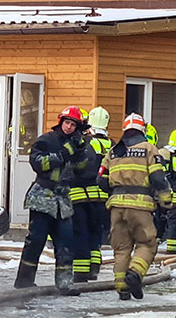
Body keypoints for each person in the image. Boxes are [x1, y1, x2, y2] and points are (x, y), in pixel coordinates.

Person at [15, 106, 89, 295]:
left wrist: (81, 151)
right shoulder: (46, 140)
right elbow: (38, 163)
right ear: (61, 122)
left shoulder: (76, 143)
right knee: (36, 240)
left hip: (63, 200)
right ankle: (24, 281)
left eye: (73, 125)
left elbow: (81, 170)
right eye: (67, 123)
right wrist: (64, 153)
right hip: (43, 197)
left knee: (66, 242)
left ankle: (65, 284)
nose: (69, 127)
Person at [98, 113, 170, 301]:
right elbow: (158, 178)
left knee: (121, 248)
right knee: (147, 243)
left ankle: (123, 289)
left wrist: (116, 190)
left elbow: (101, 180)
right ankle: (135, 274)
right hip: (140, 205)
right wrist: (166, 199)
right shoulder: (149, 149)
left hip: (116, 207)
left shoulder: (113, 151)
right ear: (142, 130)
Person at [69, 109, 102, 283]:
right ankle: (94, 267)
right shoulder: (95, 144)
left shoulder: (71, 144)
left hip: (77, 196)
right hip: (96, 197)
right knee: (94, 231)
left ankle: (81, 273)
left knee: (80, 232)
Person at [84, 106, 114, 279]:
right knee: (96, 232)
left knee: (84, 230)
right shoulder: (113, 145)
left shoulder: (87, 143)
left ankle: (83, 268)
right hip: (106, 197)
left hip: (86, 195)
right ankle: (95, 265)